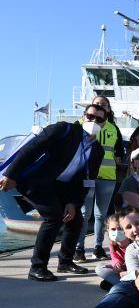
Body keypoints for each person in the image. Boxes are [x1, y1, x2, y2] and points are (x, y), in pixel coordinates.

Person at [0, 105, 105, 281]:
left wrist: (73, 203)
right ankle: (37, 267)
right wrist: (11, 174)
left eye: (99, 119)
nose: (94, 121)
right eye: (90, 116)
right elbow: (32, 149)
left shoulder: (97, 151)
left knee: (76, 218)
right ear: (83, 116)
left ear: (104, 124)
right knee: (54, 217)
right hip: (37, 182)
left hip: (61, 187)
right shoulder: (64, 129)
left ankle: (65, 262)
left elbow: (85, 180)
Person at [74, 96, 125, 262]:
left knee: (101, 215)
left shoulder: (113, 129)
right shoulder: (79, 125)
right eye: (96, 104)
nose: (99, 106)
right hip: (86, 175)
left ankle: (97, 247)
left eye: (103, 105)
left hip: (107, 176)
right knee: (84, 213)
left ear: (108, 110)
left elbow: (118, 155)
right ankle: (79, 248)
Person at [95, 213, 131, 291]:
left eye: (120, 229)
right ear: (108, 231)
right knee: (100, 267)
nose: (117, 232)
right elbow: (115, 257)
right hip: (123, 270)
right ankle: (122, 285)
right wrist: (117, 264)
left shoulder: (134, 244)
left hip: (135, 270)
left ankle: (123, 285)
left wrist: (128, 271)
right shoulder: (113, 243)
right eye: (113, 229)